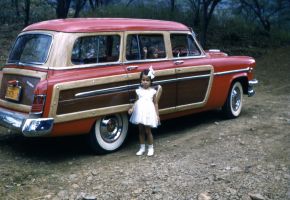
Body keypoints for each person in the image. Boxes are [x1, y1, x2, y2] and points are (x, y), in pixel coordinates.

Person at [128, 67, 160, 156]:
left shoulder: (152, 91)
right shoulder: (138, 91)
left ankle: (150, 148)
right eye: (143, 80)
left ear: (151, 81)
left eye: (147, 80)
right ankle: (142, 148)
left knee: (148, 131)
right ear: (140, 80)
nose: (145, 82)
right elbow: (136, 101)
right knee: (141, 131)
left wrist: (157, 115)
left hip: (148, 113)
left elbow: (155, 103)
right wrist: (132, 108)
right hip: (139, 113)